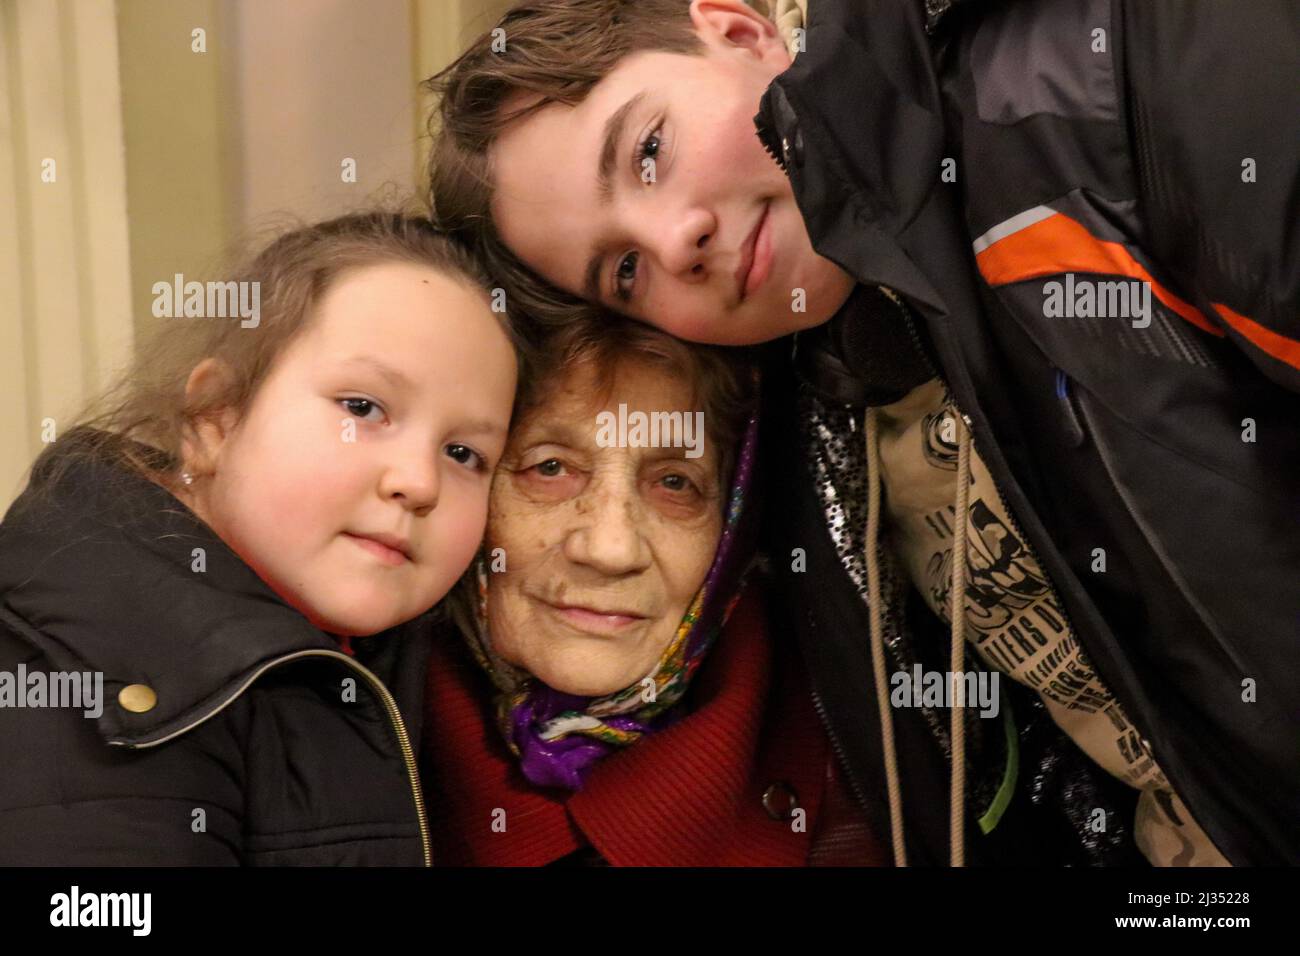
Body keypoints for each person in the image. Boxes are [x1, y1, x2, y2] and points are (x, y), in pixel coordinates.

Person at [423, 0, 1300, 866]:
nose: (674, 239)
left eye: (649, 151)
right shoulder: (812, 403)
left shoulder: (1100, 77)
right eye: (622, 270)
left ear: (737, 28)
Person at [0, 212, 519, 864]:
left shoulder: (401, 655)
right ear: (216, 417)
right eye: (362, 407)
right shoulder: (66, 682)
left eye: (465, 453)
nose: (419, 482)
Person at [420, 316, 884, 865]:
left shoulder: (869, 768)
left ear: (732, 529)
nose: (611, 549)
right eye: (550, 467)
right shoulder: (344, 735)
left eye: (674, 482)